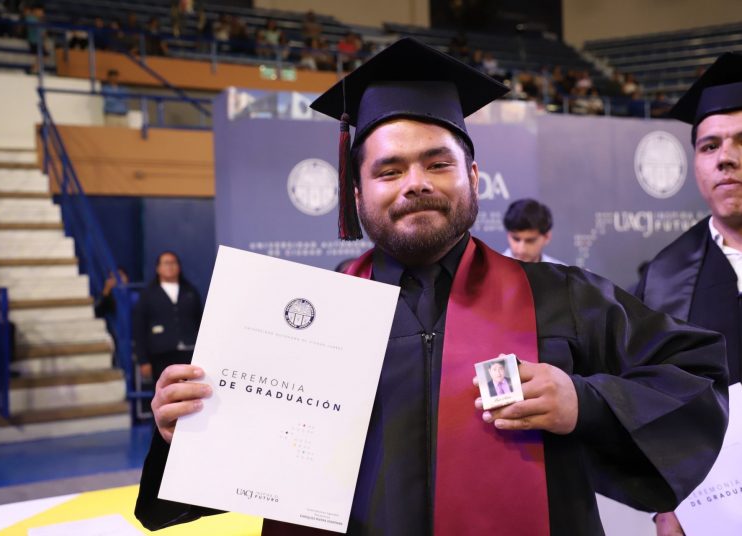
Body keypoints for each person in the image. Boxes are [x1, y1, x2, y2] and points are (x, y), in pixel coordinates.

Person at [135, 38, 728, 535]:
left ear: (474, 176)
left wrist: (584, 402)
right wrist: (180, 431)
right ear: (357, 193)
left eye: (437, 163)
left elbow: (695, 376)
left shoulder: (564, 298)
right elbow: (233, 464)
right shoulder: (304, 321)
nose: (415, 183)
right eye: (389, 170)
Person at [634, 52, 742, 536]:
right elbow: (648, 399)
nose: (725, 158)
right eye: (709, 145)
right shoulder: (664, 277)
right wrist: (666, 506)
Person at [132, 251, 203, 384]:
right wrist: (143, 360)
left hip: (190, 353)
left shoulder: (190, 291)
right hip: (160, 355)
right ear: (158, 268)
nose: (170, 266)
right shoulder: (148, 294)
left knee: (191, 391)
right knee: (166, 392)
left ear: (179, 267)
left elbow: (200, 322)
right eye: (166, 263)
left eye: (173, 262)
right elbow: (139, 328)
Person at [502, 198, 565, 263]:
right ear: (508, 235)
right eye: (516, 239)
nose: (521, 250)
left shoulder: (561, 269)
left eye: (530, 241)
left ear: (547, 237)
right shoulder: (494, 268)